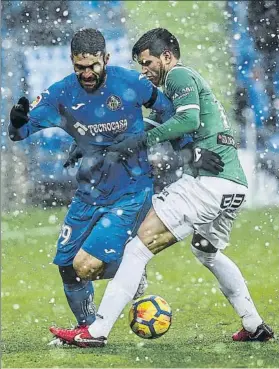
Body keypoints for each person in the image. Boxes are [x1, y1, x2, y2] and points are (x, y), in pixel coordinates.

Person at [53, 28, 274, 347]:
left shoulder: (178, 76)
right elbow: (153, 126)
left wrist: (141, 140)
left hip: (206, 184)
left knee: (136, 248)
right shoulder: (178, 87)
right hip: (233, 186)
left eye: (147, 63)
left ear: (167, 57)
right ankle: (253, 324)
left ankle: (96, 331)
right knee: (207, 252)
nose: (144, 71)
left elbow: (187, 123)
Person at [8, 28, 222, 341]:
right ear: (71, 62)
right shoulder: (60, 95)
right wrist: (16, 121)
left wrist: (189, 150)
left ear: (106, 59)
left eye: (93, 65)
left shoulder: (132, 83)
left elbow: (167, 112)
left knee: (85, 265)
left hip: (131, 192)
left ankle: (127, 276)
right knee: (66, 265)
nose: (87, 73)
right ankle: (88, 326)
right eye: (80, 67)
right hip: (88, 193)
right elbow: (19, 133)